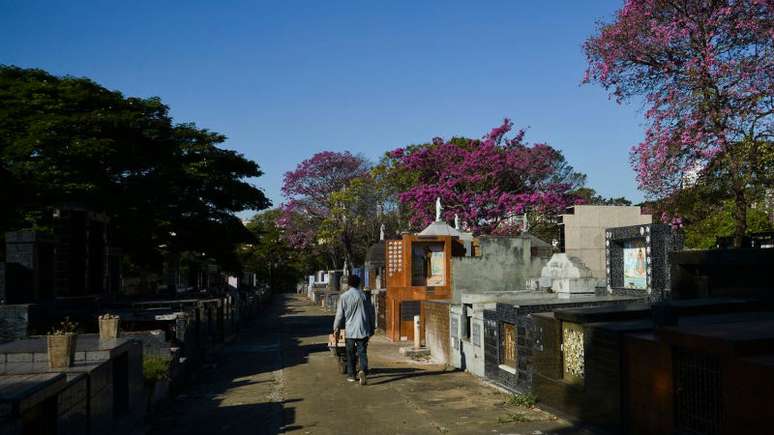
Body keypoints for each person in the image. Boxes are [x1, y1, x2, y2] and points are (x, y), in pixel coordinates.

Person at [333, 274, 375, 385]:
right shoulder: (364, 296)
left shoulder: (344, 297)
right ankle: (363, 371)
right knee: (362, 352)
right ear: (358, 284)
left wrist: (335, 328)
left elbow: (339, 315)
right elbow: (370, 313)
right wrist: (372, 327)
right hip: (363, 328)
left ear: (349, 284)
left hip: (350, 329)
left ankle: (351, 375)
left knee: (350, 352)